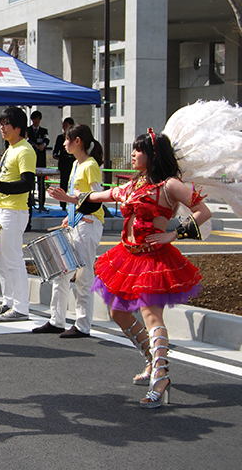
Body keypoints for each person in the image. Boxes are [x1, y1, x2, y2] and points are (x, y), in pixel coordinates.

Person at [76, 128, 211, 408]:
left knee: (151, 315)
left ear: (153, 155)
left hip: (154, 259)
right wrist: (72, 199)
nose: (133, 154)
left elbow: (203, 211)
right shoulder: (136, 184)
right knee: (118, 312)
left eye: (138, 150)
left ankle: (161, 376)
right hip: (128, 257)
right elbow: (109, 194)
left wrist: (173, 234)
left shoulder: (169, 185)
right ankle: (153, 360)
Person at [36, 124, 105, 338]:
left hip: (89, 224)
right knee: (62, 272)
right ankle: (56, 320)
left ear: (78, 141)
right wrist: (70, 213)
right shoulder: (77, 164)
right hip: (78, 223)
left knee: (83, 276)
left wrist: (67, 199)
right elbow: (82, 198)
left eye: (67, 139)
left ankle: (83, 325)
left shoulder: (90, 165)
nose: (64, 142)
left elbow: (96, 199)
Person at [0, 107, 36, 322]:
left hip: (13, 212)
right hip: (0, 209)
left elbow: (27, 183)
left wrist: (0, 186)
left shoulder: (25, 150)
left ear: (18, 127)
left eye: (6, 124)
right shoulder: (10, 149)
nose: (2, 128)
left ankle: (21, 307)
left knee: (13, 259)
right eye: (1, 123)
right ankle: (8, 301)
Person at [27, 110, 49, 213]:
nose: (36, 121)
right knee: (29, 181)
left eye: (38, 119)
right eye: (34, 119)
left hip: (41, 159)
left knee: (41, 183)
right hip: (30, 158)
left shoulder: (44, 131)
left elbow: (47, 140)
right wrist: (33, 145)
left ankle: (42, 203)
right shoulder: (28, 130)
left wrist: (43, 145)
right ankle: (31, 201)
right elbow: (26, 139)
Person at [52, 117, 76, 210]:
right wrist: (56, 155)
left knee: (74, 183)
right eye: (64, 125)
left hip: (72, 161)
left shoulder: (75, 138)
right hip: (64, 162)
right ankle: (63, 205)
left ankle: (73, 203)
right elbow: (56, 151)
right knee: (64, 183)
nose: (64, 127)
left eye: (66, 125)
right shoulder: (60, 137)